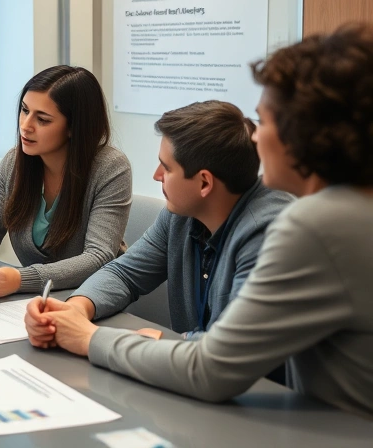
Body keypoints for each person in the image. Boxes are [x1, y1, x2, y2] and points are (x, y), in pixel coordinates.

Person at [28, 23, 373, 419]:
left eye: (265, 122)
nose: (255, 139)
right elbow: (124, 274)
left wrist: (90, 339)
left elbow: (212, 369)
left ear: (305, 133)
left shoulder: (312, 224)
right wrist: (77, 309)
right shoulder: (345, 209)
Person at [33, 101, 291, 341]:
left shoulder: (268, 234)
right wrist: (77, 308)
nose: (156, 176)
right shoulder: (181, 214)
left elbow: (236, 346)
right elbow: (125, 274)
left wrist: (98, 339)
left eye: (166, 167)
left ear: (204, 182)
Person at [0, 66, 132, 297]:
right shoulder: (15, 162)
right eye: (25, 110)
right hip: (34, 300)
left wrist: (21, 279)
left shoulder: (110, 168)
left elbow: (98, 257)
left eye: (43, 119)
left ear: (74, 127)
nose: (25, 125)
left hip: (93, 300)